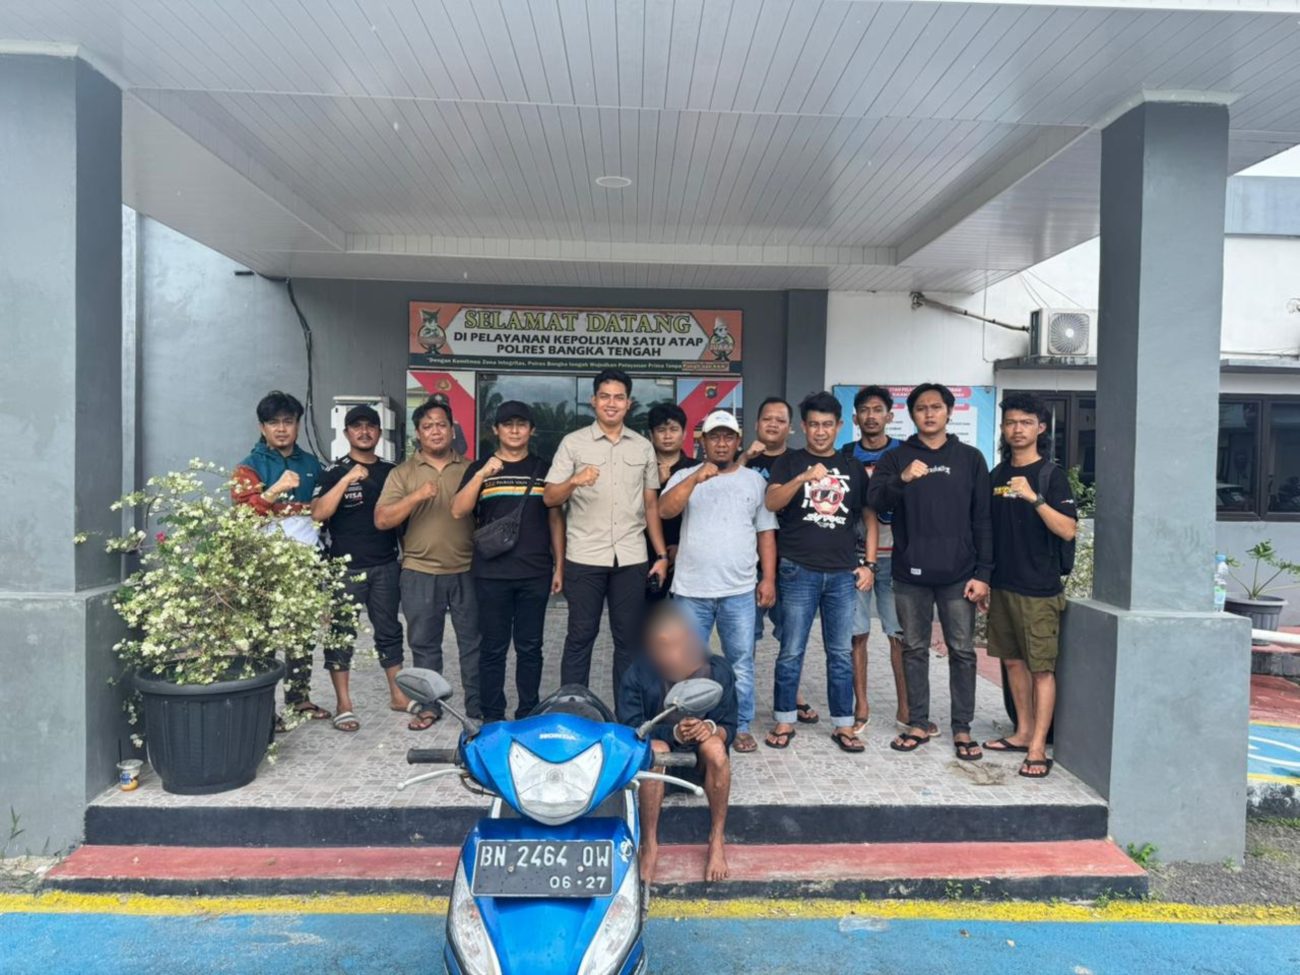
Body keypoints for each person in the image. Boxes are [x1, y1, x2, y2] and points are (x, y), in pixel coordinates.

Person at [868, 383, 993, 762]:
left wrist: (983, 574)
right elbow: (874, 500)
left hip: (960, 574)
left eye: (936, 407)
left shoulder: (970, 458)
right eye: (921, 408)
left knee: (963, 651)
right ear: (912, 414)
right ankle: (918, 723)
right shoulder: (896, 458)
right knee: (914, 649)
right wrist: (902, 479)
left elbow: (983, 519)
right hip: (910, 574)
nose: (929, 413)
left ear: (949, 412)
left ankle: (962, 727)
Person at [544, 369, 670, 700]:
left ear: (628, 403)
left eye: (618, 397)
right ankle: (573, 707)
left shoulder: (642, 447)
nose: (611, 403)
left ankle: (627, 714)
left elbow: (651, 505)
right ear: (593, 401)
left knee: (628, 640)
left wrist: (661, 555)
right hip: (584, 557)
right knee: (580, 637)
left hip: (630, 557)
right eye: (605, 396)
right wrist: (574, 480)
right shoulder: (573, 444)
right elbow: (550, 498)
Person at [658, 410, 777, 754]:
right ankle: (687, 725)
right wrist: (696, 479)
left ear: (738, 441)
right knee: (687, 661)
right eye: (714, 437)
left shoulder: (754, 481)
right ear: (703, 442)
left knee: (741, 662)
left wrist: (768, 578)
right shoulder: (685, 475)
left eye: (728, 437)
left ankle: (739, 726)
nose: (721, 443)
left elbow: (766, 534)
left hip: (739, 590)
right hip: (691, 590)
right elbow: (665, 510)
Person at [763, 391, 876, 753]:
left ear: (840, 426)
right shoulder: (789, 461)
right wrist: (803, 477)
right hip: (798, 570)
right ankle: (784, 718)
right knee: (791, 650)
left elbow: (868, 517)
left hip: (842, 574)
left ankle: (843, 724)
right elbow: (771, 501)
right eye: (814, 425)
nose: (821, 431)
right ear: (803, 426)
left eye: (828, 424)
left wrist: (869, 564)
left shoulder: (852, 467)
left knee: (840, 653)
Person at [981, 393, 1077, 779]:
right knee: (1012, 662)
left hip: (1039, 589)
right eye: (1010, 423)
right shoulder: (996, 475)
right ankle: (1021, 732)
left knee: (1041, 668)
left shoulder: (1051, 476)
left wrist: (1034, 498)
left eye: (1025, 422)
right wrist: (985, 581)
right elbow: (986, 532)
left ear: (1040, 427)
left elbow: (1067, 529)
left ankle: (1038, 747)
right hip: (1003, 585)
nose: (1017, 429)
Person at [452, 401, 565, 723]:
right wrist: (482, 474)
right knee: (492, 647)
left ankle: (528, 712)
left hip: (535, 572)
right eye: (508, 424)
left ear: (532, 430)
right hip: (491, 573)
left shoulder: (544, 469)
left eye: (521, 424)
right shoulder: (480, 468)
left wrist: (559, 565)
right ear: (495, 429)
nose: (515, 430)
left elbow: (555, 519)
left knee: (530, 647)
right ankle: (492, 715)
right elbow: (458, 510)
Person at [375, 396, 480, 728]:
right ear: (418, 434)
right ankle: (430, 706)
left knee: (474, 643)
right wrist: (417, 496)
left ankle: (478, 706)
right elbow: (382, 519)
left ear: (452, 430)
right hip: (419, 571)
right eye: (427, 426)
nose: (435, 431)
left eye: (441, 425)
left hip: (468, 569)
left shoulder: (471, 469)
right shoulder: (403, 473)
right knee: (424, 644)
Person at [842, 385, 937, 738]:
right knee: (856, 635)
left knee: (900, 636)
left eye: (878, 409)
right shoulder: (846, 455)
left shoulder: (905, 452)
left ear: (889, 416)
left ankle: (907, 709)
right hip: (855, 560)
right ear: (855, 418)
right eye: (865, 410)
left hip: (898, 557)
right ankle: (861, 706)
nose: (871, 416)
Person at [618, 604, 737, 884]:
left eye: (678, 645)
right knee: (656, 750)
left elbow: (730, 727)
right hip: (658, 769)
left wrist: (708, 729)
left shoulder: (718, 671)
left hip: (701, 767)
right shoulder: (637, 675)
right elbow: (630, 731)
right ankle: (649, 844)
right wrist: (674, 734)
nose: (672, 654)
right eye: (663, 646)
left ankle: (716, 838)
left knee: (716, 748)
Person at [310, 405, 412, 732]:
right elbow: (318, 513)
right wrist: (347, 479)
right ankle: (344, 704)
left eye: (370, 426)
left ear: (379, 432)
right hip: (345, 568)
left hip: (385, 565)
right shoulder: (333, 471)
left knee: (390, 631)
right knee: (341, 635)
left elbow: (401, 521)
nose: (364, 431)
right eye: (357, 426)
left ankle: (398, 695)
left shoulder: (393, 471)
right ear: (347, 433)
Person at [231, 390, 330, 724]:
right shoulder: (249, 466)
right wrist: (275, 492)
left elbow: (320, 511)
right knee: (262, 638)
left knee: (301, 635)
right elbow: (244, 514)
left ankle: (299, 699)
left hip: (305, 562)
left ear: (298, 425)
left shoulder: (312, 464)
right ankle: (262, 709)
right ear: (262, 427)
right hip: (263, 565)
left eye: (288, 421)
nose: (282, 428)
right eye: (274, 422)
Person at [740, 396, 817, 723]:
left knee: (792, 635)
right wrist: (745, 457)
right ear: (756, 423)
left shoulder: (799, 463)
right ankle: (741, 697)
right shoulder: (743, 459)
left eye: (780, 420)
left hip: (793, 562)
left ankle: (792, 694)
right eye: (767, 418)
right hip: (748, 564)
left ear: (791, 428)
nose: (773, 424)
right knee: (745, 637)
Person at [645, 402, 693, 602]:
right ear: (651, 435)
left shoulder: (696, 470)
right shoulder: (640, 470)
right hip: (646, 555)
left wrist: (682, 546)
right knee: (645, 616)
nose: (667, 436)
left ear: (684, 434)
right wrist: (654, 483)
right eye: (661, 430)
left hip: (688, 556)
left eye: (673, 429)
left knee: (686, 618)